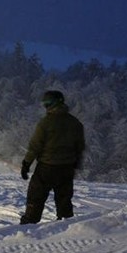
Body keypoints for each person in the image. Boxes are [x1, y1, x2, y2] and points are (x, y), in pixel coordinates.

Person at [19, 90, 85, 224]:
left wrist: (26, 164)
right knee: (64, 201)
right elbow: (80, 147)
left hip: (46, 168)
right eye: (44, 104)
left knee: (35, 198)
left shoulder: (46, 123)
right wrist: (75, 164)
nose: (46, 107)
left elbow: (35, 146)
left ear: (57, 102)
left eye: (48, 103)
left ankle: (27, 229)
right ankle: (67, 229)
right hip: (67, 168)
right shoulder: (75, 123)